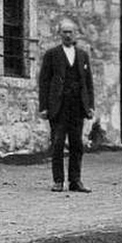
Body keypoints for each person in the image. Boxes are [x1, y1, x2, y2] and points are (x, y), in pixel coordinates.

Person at [38, 17, 96, 193]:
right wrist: (44, 107)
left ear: (75, 34)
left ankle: (75, 181)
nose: (68, 35)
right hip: (59, 106)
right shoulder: (52, 54)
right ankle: (58, 181)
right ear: (60, 34)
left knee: (77, 145)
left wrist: (90, 106)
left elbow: (88, 83)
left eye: (70, 32)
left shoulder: (82, 55)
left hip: (77, 106)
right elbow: (44, 82)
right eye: (65, 32)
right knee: (57, 143)